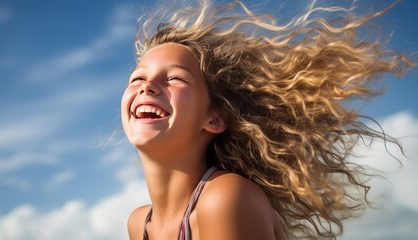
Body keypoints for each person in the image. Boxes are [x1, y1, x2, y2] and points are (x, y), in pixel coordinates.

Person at [121, 0, 413, 239]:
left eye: (174, 78)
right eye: (138, 78)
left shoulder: (224, 199)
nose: (147, 85)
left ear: (215, 118)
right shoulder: (139, 224)